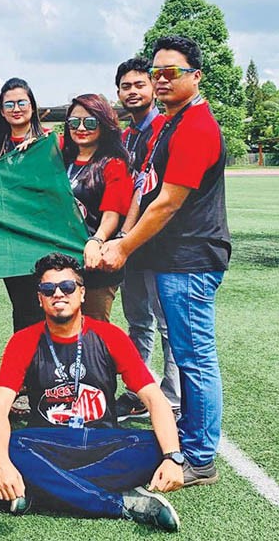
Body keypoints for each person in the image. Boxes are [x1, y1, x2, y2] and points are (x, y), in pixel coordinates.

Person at [101, 35, 232, 486]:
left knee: (194, 358)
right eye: (156, 72)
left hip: (190, 259)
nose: (160, 80)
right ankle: (189, 439)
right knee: (187, 352)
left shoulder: (196, 127)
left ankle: (200, 457)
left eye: (171, 72)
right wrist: (123, 237)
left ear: (196, 76)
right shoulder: (170, 124)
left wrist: (122, 247)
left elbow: (168, 203)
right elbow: (145, 189)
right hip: (173, 258)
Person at [0, 253, 183, 532]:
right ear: (39, 298)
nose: (58, 294)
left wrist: (172, 457)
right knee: (2, 448)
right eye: (48, 289)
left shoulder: (110, 336)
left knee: (155, 445)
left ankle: (41, 490)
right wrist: (1, 462)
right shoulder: (24, 340)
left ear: (81, 293)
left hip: (101, 441)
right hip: (50, 443)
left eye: (67, 287)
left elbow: (154, 399)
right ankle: (119, 503)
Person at [112, 57, 178, 421]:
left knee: (168, 325)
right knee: (138, 321)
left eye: (140, 84)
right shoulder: (126, 136)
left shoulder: (165, 128)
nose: (133, 92)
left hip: (159, 242)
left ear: (153, 87)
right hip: (130, 243)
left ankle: (172, 398)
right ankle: (138, 392)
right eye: (126, 86)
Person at [0, 78, 47, 416]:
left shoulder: (49, 142)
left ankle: (48, 380)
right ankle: (26, 381)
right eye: (9, 104)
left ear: (32, 106)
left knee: (48, 311)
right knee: (23, 311)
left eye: (22, 102)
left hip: (43, 245)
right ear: (1, 110)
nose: (16, 109)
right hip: (11, 248)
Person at [60, 94, 132, 322]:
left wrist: (96, 241)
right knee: (60, 326)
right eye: (74, 122)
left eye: (90, 122)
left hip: (95, 264)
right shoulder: (62, 159)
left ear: (104, 124)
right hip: (62, 261)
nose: (81, 128)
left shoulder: (114, 164)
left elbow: (112, 215)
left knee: (93, 327)